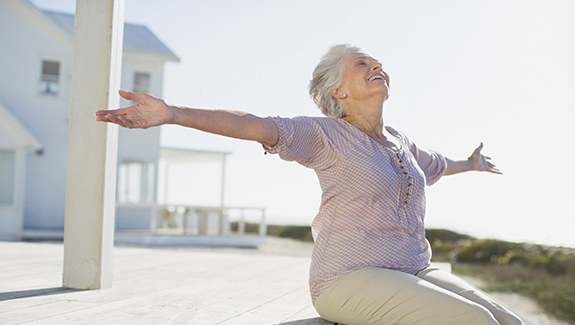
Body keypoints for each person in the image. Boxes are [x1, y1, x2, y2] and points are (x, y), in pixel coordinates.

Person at [96, 44, 523, 324]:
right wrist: (174, 113)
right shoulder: (323, 135)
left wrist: (470, 163)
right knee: (475, 323)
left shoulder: (401, 142)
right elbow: (253, 125)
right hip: (349, 277)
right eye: (363, 64)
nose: (377, 66)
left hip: (415, 268)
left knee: (510, 321)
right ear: (337, 90)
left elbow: (437, 165)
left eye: (378, 64)